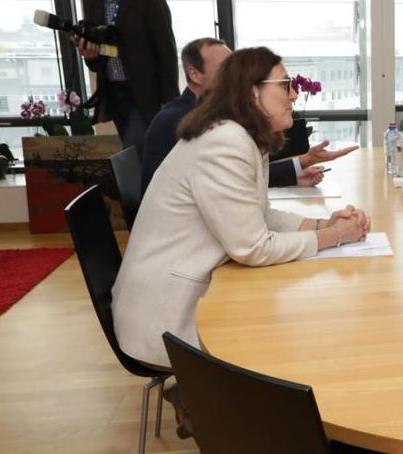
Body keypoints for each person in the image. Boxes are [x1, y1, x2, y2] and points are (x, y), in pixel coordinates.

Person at [111, 47, 371, 372]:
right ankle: (209, 408)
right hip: (165, 318)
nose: (294, 94)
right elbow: (253, 247)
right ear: (253, 93)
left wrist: (321, 225)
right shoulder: (226, 143)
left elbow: (258, 215)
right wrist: (335, 236)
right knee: (298, 344)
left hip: (179, 298)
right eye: (285, 84)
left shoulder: (239, 135)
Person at [140, 38, 354, 195]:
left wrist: (302, 163)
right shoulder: (182, 119)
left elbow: (238, 175)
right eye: (226, 67)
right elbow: (231, 178)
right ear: (194, 74)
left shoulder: (219, 119)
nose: (236, 73)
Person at [76, 0, 179, 157]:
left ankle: (138, 189)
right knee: (138, 154)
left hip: (145, 93)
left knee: (132, 152)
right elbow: (98, 58)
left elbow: (165, 50)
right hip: (113, 93)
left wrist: (170, 102)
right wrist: (90, 55)